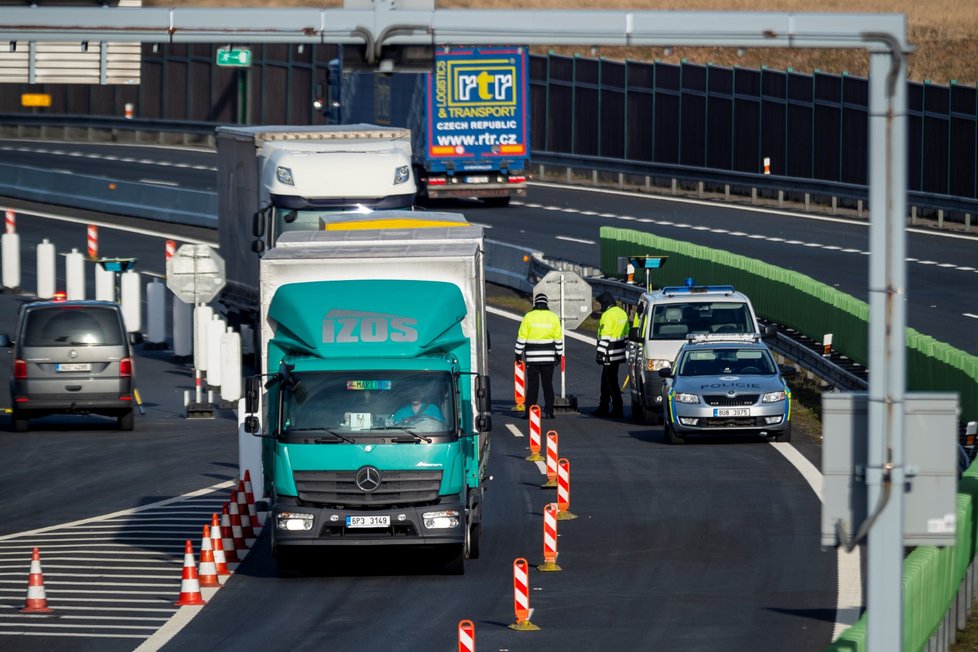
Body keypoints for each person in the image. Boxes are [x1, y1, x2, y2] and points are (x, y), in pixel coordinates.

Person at [514, 293, 564, 418]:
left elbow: (522, 337)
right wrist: (559, 354)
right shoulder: (553, 317)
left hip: (532, 358)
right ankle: (549, 412)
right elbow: (558, 338)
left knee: (533, 385)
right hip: (548, 358)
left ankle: (529, 412)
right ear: (546, 304)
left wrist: (518, 354)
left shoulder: (528, 317)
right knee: (548, 384)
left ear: (535, 303)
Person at [594, 292, 629, 418]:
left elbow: (605, 336)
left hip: (609, 353)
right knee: (610, 379)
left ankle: (612, 407)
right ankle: (609, 406)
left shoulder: (607, 315)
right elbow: (626, 335)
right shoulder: (622, 313)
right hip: (619, 353)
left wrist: (600, 353)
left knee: (609, 381)